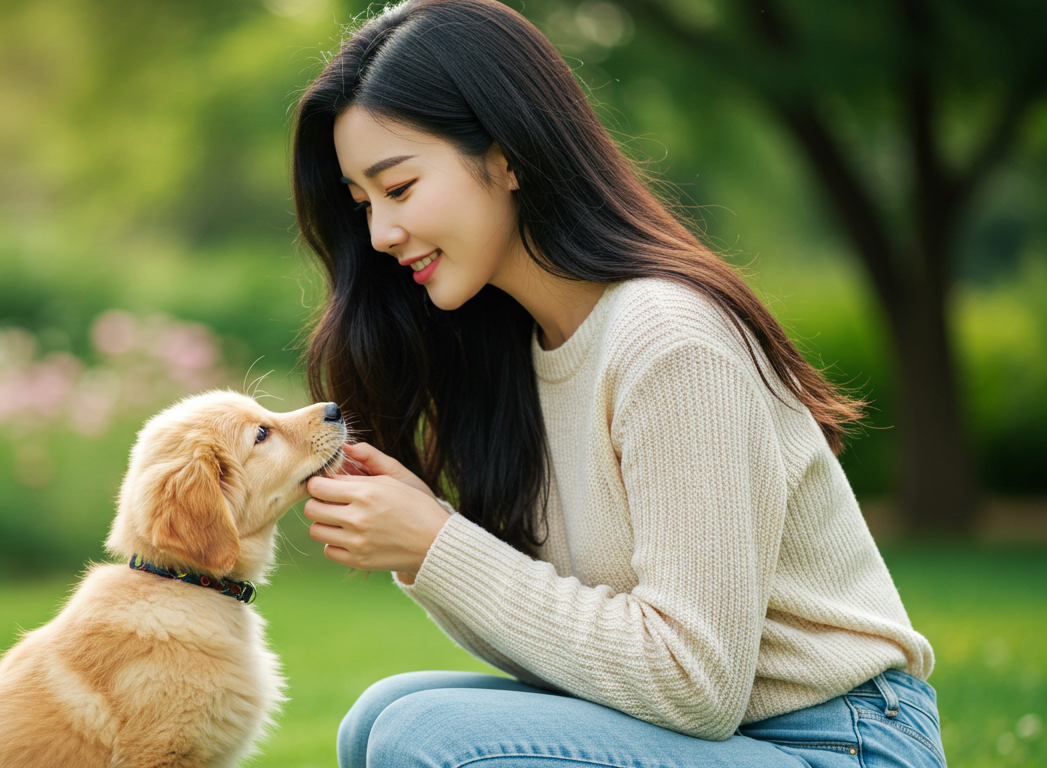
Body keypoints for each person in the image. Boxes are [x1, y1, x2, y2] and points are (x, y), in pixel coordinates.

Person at [290, 1, 945, 766]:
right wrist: (421, 540)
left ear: (506, 157)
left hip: (841, 742)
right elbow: (585, 658)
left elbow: (695, 682)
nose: (379, 235)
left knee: (420, 736)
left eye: (398, 188)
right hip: (732, 742)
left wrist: (439, 544)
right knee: (380, 715)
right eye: (362, 205)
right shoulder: (523, 349)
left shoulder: (670, 342)